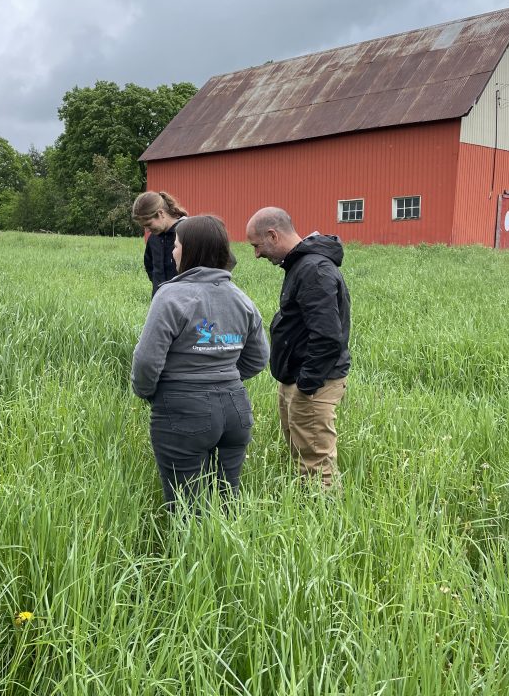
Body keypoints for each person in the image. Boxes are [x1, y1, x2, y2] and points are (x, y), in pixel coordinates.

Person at [131, 215, 269, 510]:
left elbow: (146, 361)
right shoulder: (241, 298)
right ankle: (229, 541)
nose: (173, 251)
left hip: (182, 408)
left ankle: (191, 542)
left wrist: (149, 392)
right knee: (227, 501)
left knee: (186, 508)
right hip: (236, 409)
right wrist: (223, 375)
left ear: (191, 250)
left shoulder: (171, 295)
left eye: (177, 245)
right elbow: (259, 357)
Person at [245, 207, 351, 489]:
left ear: (273, 235)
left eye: (257, 245)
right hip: (298, 377)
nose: (256, 254)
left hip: (314, 382)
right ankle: (306, 509)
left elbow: (327, 336)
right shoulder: (301, 265)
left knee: (316, 466)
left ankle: (325, 515)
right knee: (303, 456)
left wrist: (307, 385)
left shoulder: (313, 270)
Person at [132, 191, 188, 296]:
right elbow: (150, 267)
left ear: (161, 213)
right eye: (144, 226)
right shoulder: (153, 239)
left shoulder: (189, 233)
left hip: (186, 300)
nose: (147, 230)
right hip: (160, 300)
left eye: (148, 224)